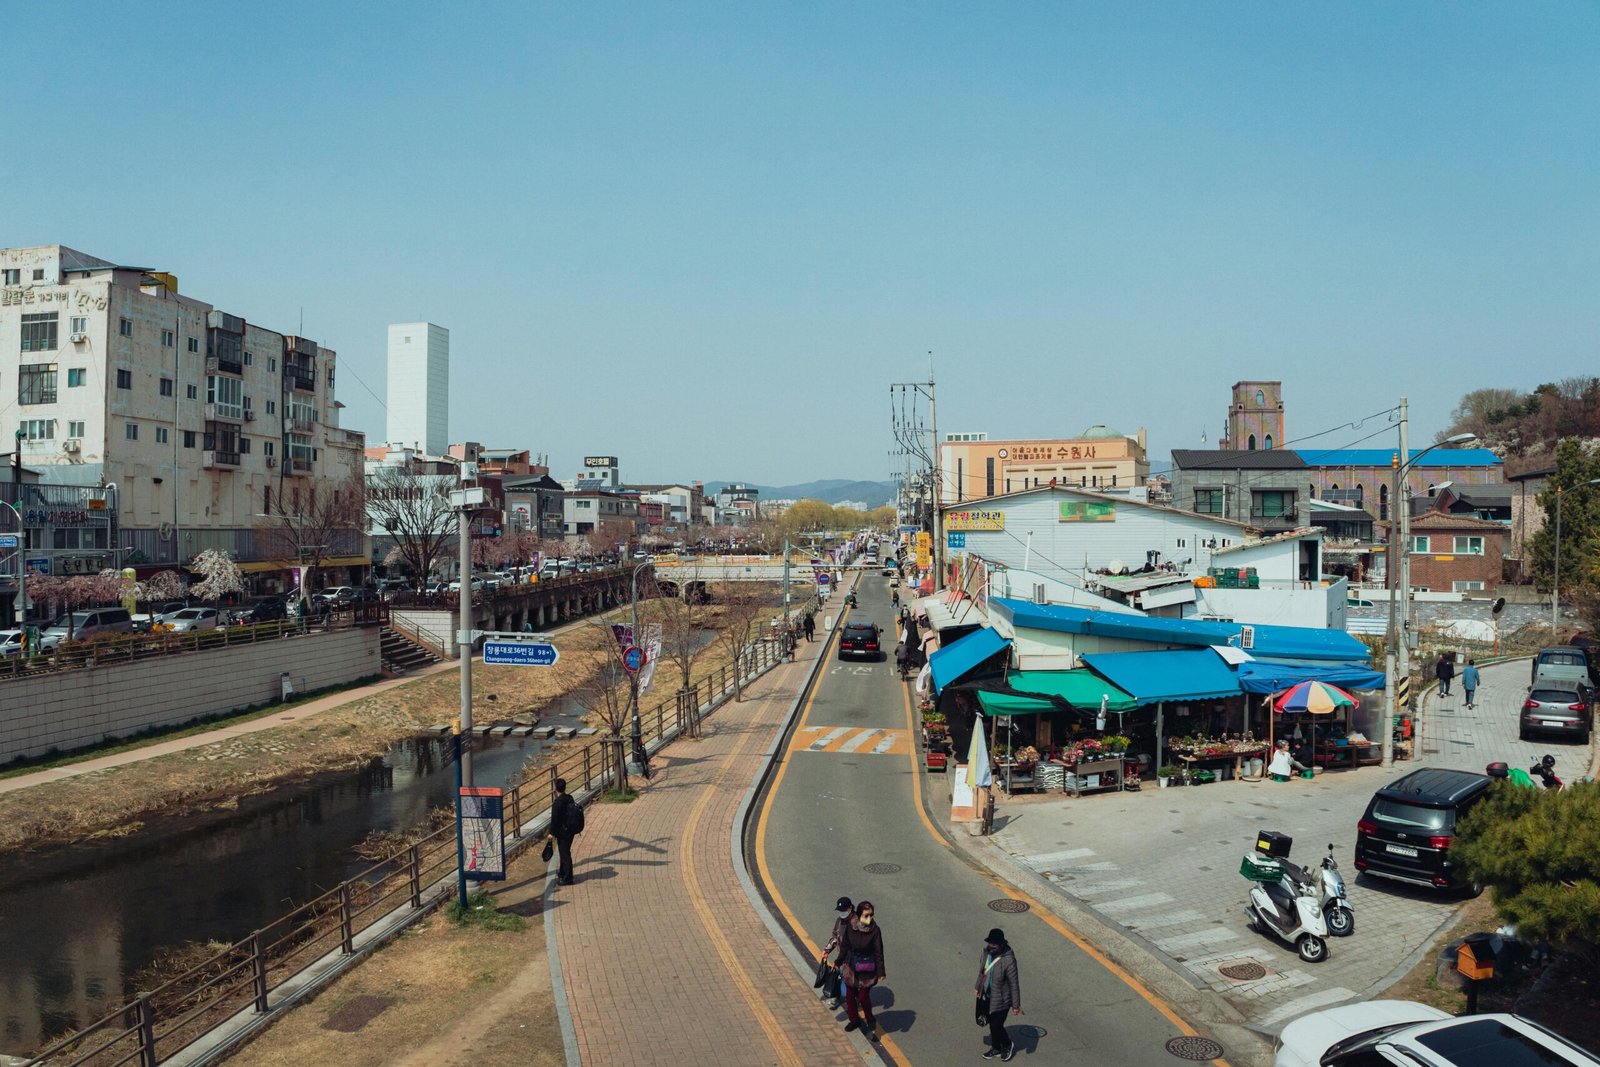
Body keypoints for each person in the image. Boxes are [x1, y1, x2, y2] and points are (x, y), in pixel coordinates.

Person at [839, 900, 884, 1042]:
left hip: (867, 968)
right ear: (858, 915)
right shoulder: (851, 927)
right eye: (866, 915)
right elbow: (845, 945)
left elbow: (879, 952)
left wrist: (881, 972)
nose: (869, 918)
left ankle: (870, 1018)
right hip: (852, 967)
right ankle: (854, 1020)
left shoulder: (875, 930)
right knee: (849, 996)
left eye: (871, 915)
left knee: (863, 997)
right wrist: (838, 961)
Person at [975, 927, 1022, 1061]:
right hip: (988, 995)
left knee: (996, 1025)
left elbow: (1014, 984)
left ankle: (1007, 1044)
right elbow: (982, 972)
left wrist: (1016, 1005)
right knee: (991, 1023)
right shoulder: (987, 953)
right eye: (990, 942)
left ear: (1001, 944)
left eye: (994, 943)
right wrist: (978, 987)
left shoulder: (1008, 960)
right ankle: (996, 1048)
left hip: (1002, 999)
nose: (991, 945)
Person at [819, 896, 853, 1010]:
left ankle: (851, 1000)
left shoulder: (857, 922)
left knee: (847, 979)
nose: (841, 913)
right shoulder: (840, 920)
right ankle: (841, 997)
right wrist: (827, 950)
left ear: (850, 908)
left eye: (843, 910)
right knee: (839, 975)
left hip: (853, 957)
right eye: (840, 911)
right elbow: (835, 937)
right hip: (842, 956)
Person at [548, 778, 582, 886]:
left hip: (563, 832)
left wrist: (551, 833)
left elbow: (555, 820)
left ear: (555, 789)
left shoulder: (557, 803)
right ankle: (562, 873)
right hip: (570, 830)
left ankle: (568, 878)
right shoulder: (569, 798)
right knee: (564, 852)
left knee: (565, 854)